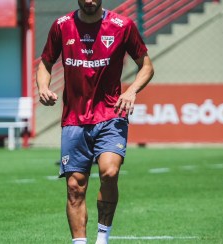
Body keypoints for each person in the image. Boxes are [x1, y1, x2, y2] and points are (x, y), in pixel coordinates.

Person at [36, 0, 154, 243]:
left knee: (109, 172)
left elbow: (146, 66)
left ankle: (103, 237)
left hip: (111, 115)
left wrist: (131, 91)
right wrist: (43, 86)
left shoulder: (123, 25)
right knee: (75, 187)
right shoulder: (62, 26)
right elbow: (45, 63)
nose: (90, 0)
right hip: (74, 119)